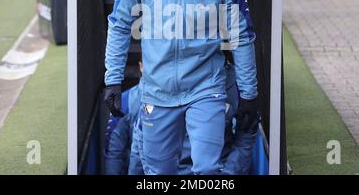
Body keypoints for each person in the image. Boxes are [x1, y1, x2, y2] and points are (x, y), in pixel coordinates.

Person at [104, 0, 258, 175]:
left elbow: (241, 38)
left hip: (206, 90)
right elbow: (118, 25)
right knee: (158, 173)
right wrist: (113, 80)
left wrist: (249, 94)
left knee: (208, 170)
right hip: (157, 93)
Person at [104, 62, 258, 175]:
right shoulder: (145, 95)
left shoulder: (236, 87)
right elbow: (131, 144)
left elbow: (247, 131)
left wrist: (227, 175)